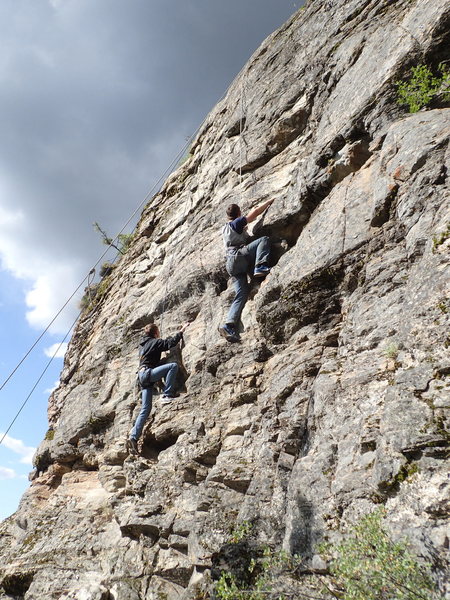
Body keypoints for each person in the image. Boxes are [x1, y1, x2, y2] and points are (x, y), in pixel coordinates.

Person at [128, 322, 190, 454]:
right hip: (148, 373)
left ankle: (133, 437)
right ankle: (167, 395)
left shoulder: (142, 345)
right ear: (155, 333)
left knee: (146, 408)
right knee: (172, 366)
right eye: (158, 333)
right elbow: (170, 343)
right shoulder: (155, 342)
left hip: (141, 376)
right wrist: (181, 331)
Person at [219, 198, 274, 342]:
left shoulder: (224, 228)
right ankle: (260, 266)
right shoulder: (236, 223)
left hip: (231, 264)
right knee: (264, 240)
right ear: (238, 213)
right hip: (238, 256)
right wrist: (269, 201)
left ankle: (229, 325)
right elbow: (254, 213)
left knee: (242, 293)